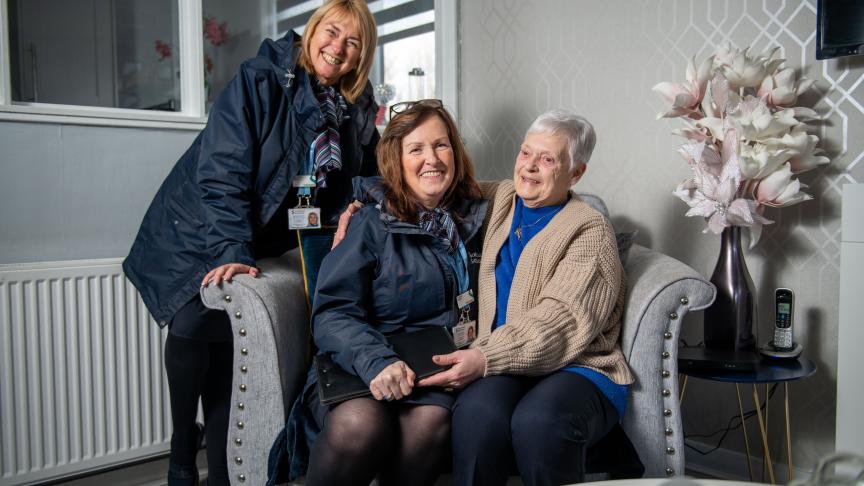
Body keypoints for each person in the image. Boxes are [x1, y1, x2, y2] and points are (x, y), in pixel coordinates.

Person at [122, 1, 379, 484]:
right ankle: (182, 451)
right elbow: (222, 171)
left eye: (354, 42)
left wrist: (361, 206)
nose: (338, 47)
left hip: (251, 233)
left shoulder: (353, 109)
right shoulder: (261, 78)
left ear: (362, 55)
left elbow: (361, 175)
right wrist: (232, 251)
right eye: (331, 31)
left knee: (228, 341)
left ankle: (219, 472)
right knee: (193, 328)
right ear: (311, 31)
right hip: (202, 226)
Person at [269, 100, 486, 486]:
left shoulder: (478, 218)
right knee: (359, 425)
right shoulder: (370, 222)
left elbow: (525, 188)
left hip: (432, 371)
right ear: (396, 162)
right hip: (363, 364)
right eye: (416, 149)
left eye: (441, 145)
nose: (431, 159)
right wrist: (376, 362)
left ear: (455, 151)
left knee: (431, 422)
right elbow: (332, 313)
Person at [415, 109, 636, 485]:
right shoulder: (500, 199)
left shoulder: (590, 232)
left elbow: (561, 321)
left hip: (577, 365)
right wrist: (362, 206)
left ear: (576, 172)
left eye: (547, 159)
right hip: (505, 363)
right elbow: (428, 189)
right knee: (477, 416)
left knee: (539, 422)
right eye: (525, 153)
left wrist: (484, 357)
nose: (530, 168)